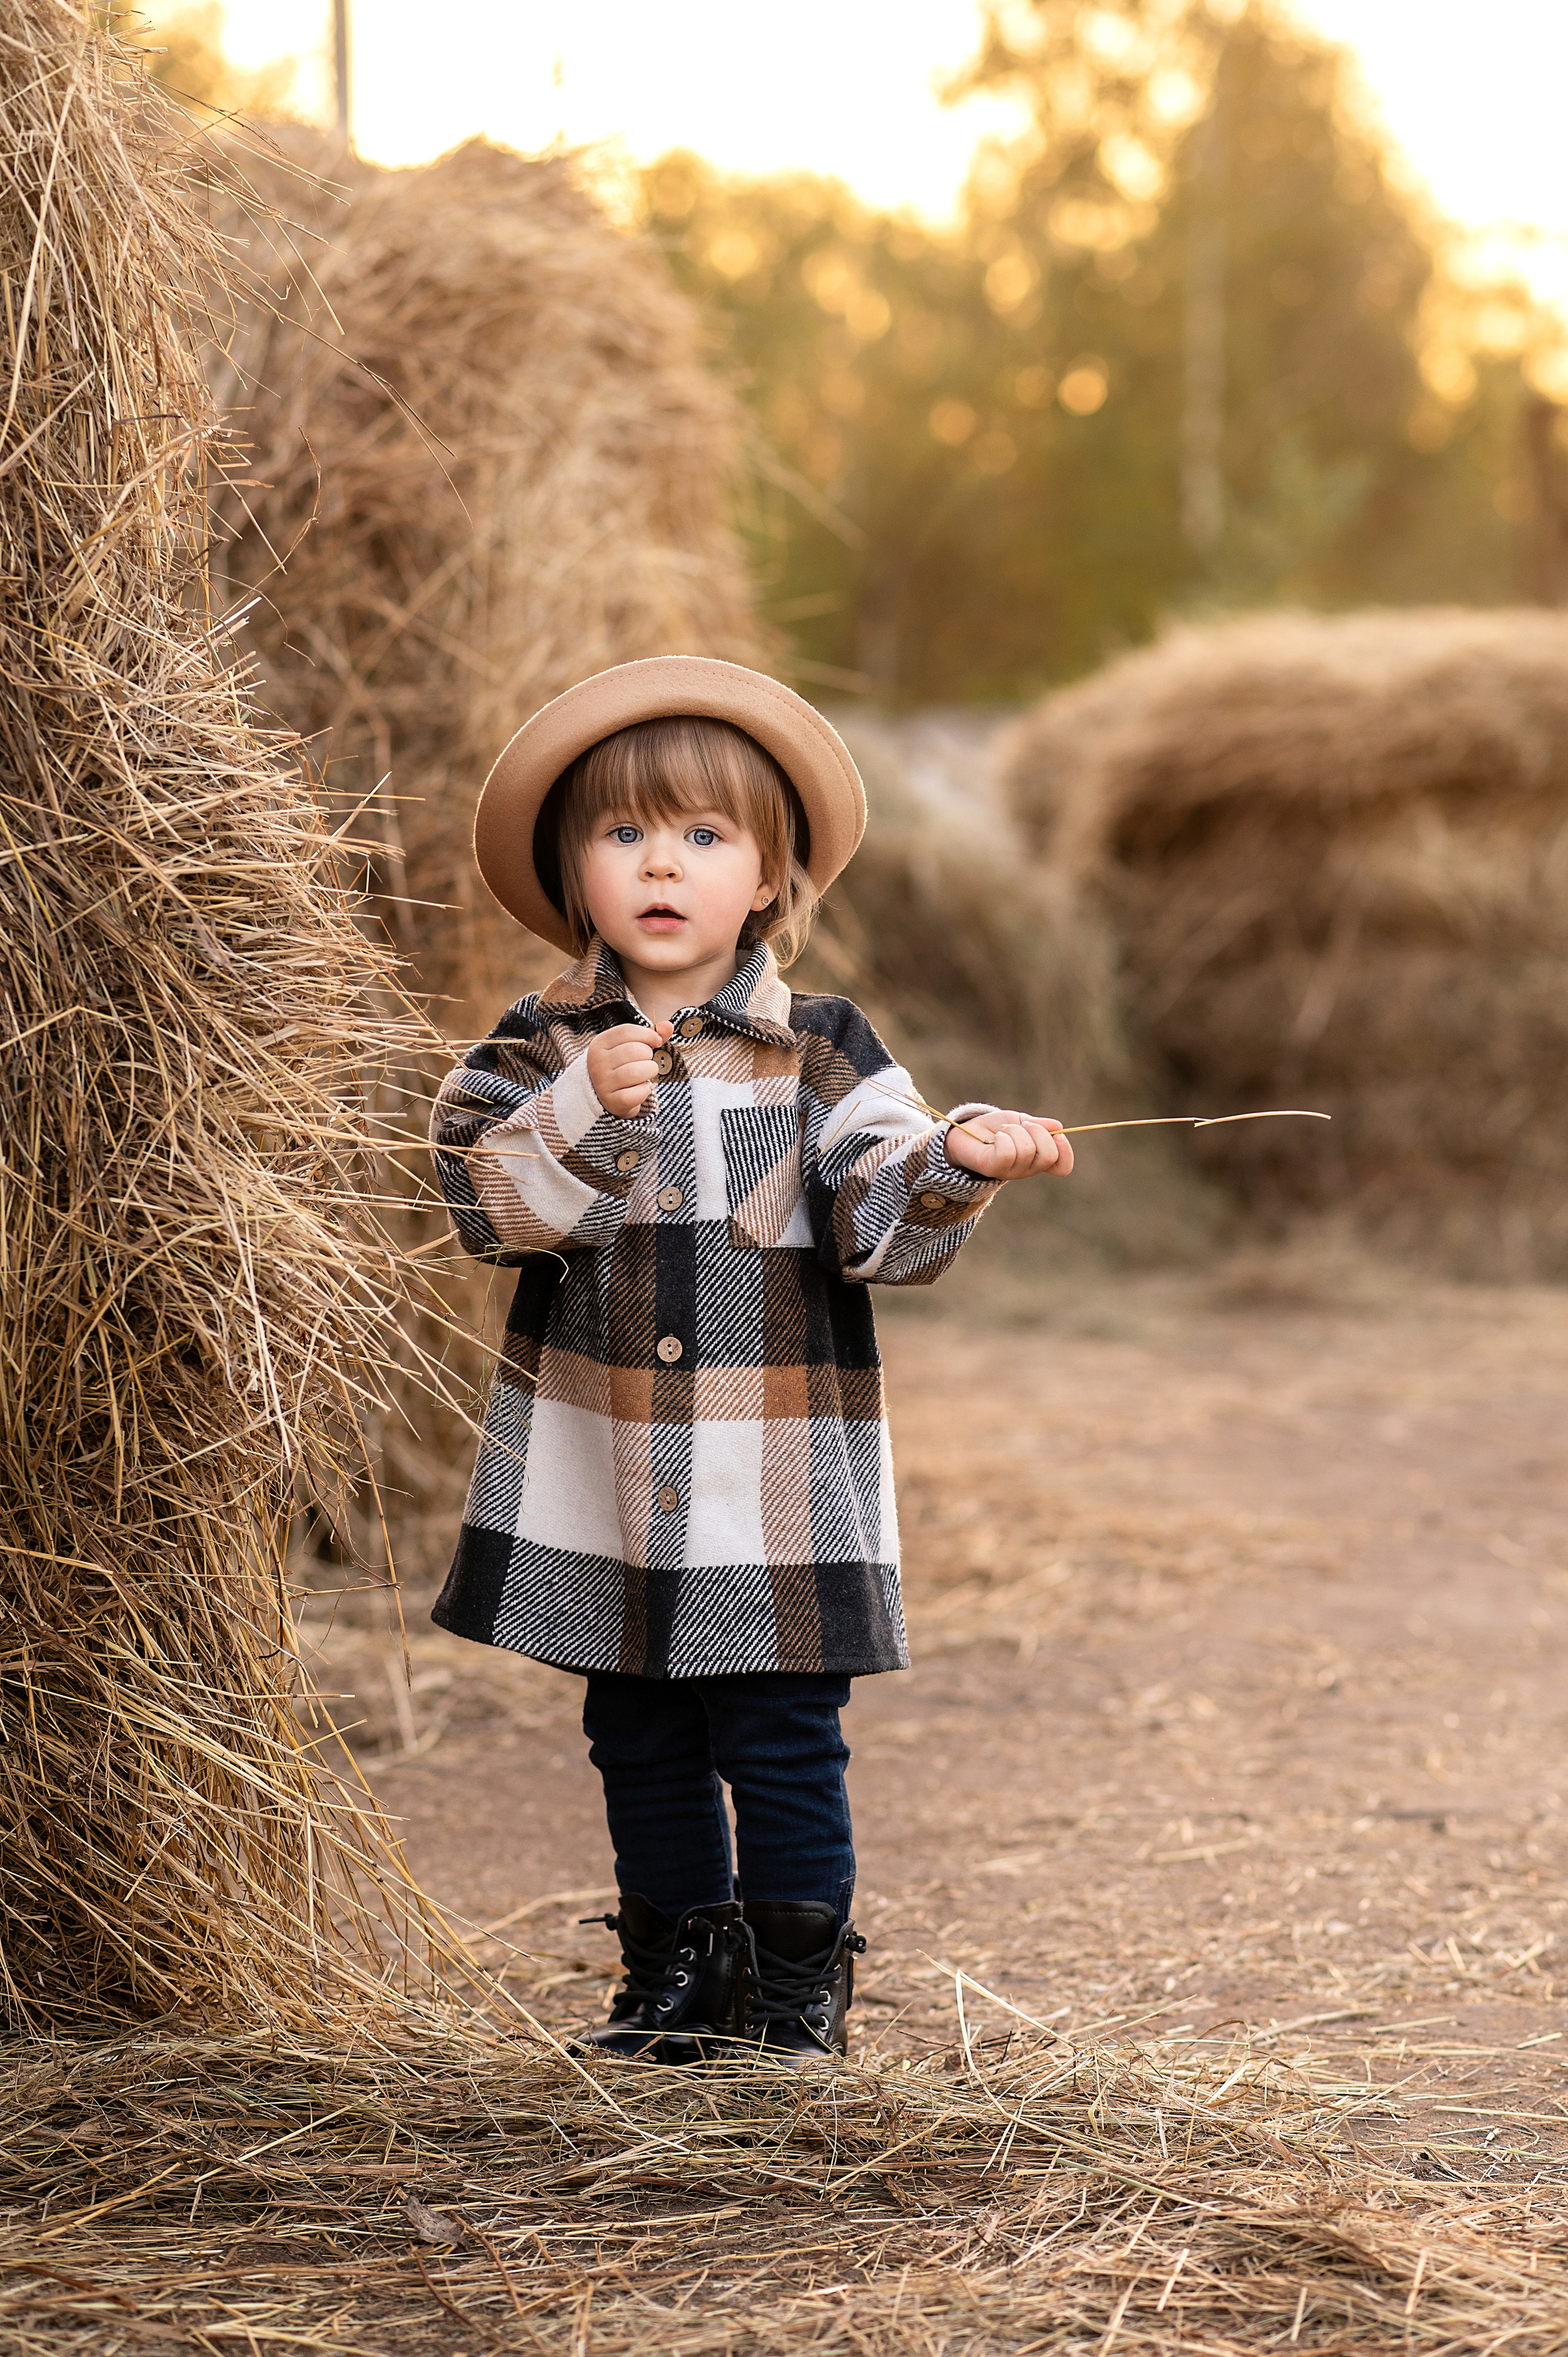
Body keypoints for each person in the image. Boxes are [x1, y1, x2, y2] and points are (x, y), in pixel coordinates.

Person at [429, 657, 1073, 2068]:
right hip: (606, 1474)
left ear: (770, 878)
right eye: (623, 835)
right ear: (572, 871)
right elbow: (482, 1207)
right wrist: (574, 1110)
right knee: (637, 1730)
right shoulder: (532, 1047)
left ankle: (796, 1981)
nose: (663, 863)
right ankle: (675, 1964)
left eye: (705, 837)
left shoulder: (825, 1052)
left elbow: (876, 1222)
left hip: (769, 1481)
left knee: (779, 1732)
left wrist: (953, 1163)